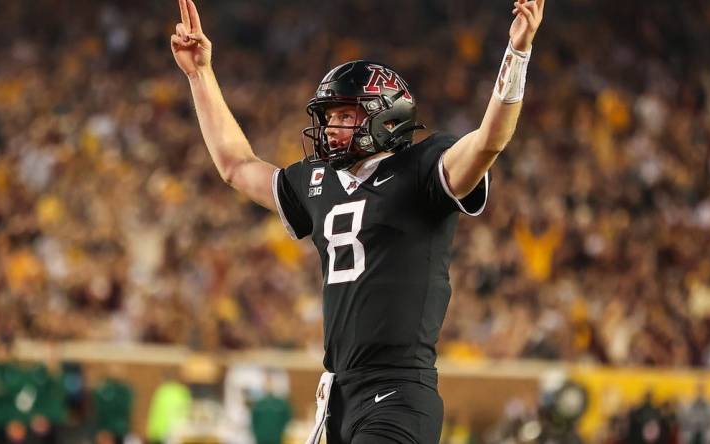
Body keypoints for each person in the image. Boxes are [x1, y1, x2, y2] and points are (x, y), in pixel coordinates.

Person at [170, 0, 545, 442]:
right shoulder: (318, 181)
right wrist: (200, 75)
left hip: (399, 392)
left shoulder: (422, 168)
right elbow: (236, 166)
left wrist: (517, 53)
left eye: (345, 115)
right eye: (329, 117)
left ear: (386, 115)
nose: (331, 128)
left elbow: (487, 142)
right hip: (338, 396)